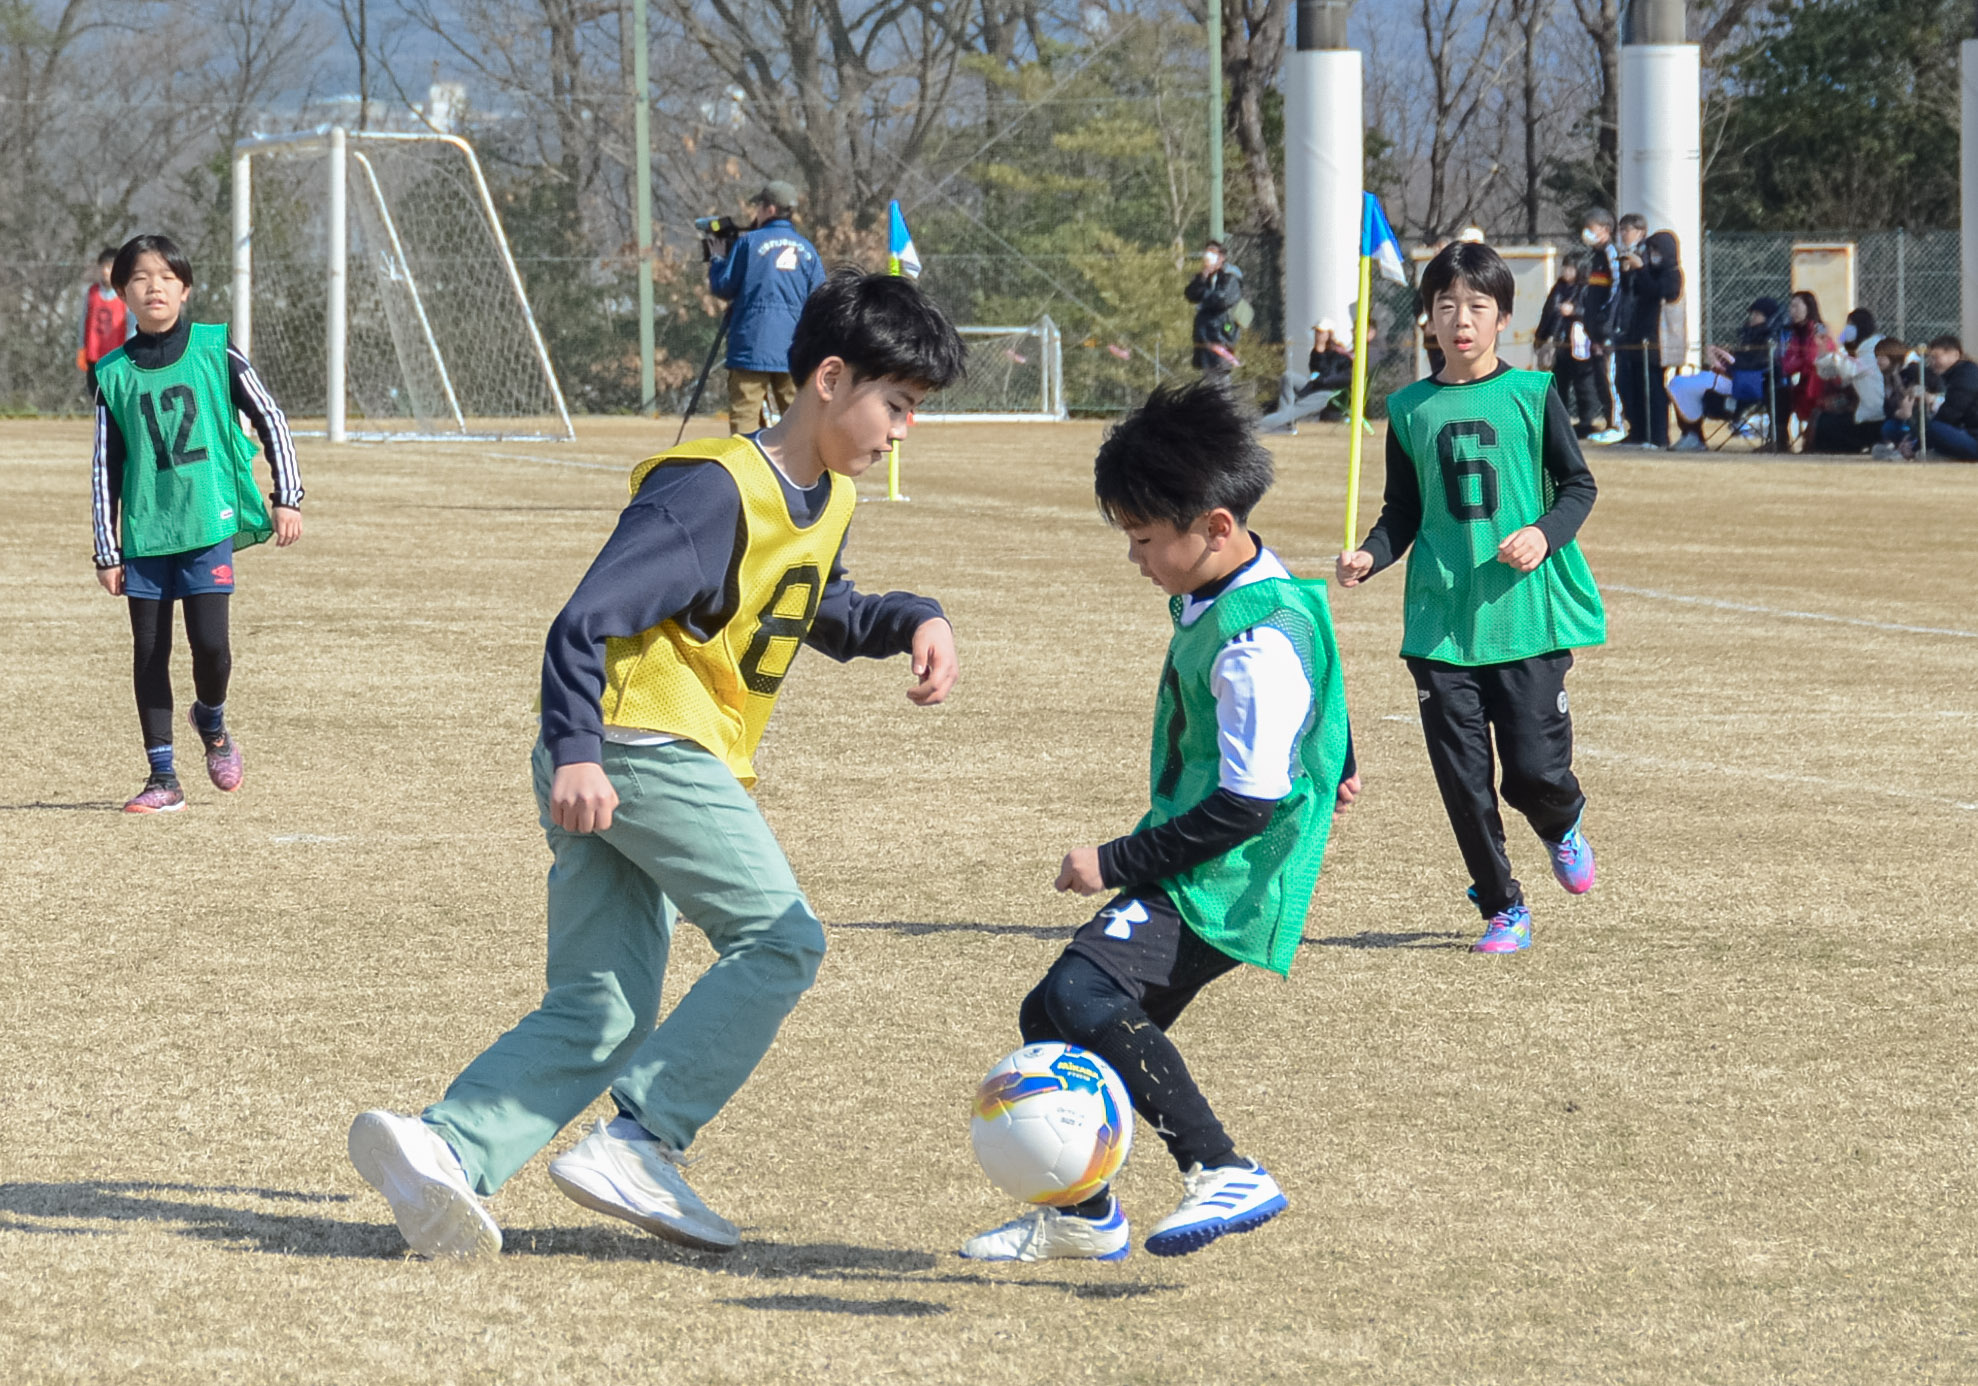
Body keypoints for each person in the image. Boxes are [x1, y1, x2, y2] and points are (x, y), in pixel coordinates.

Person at [347, 269, 968, 1260]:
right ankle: (643, 1139)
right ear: (829, 378)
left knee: (604, 1007)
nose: (903, 429)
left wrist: (911, 619)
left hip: (627, 752)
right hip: (635, 744)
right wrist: (582, 754)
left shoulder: (826, 497)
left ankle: (446, 1149)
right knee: (780, 939)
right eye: (896, 405)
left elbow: (821, 608)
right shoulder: (710, 488)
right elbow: (585, 618)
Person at [958, 379, 1357, 1264]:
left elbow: (1249, 802)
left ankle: (1222, 1168)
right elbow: (1318, 665)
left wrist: (1114, 858)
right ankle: (1085, 1215)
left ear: (1215, 526)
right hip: (1210, 855)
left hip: (1228, 871)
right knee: (1054, 1016)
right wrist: (1342, 754)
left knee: (1076, 994)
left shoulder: (1255, 642)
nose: (1134, 557)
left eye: (1144, 539)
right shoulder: (1241, 583)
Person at [1336, 241, 1604, 955]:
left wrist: (1544, 535)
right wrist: (1372, 554)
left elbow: (1578, 487)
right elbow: (1403, 512)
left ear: (1503, 319)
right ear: (1427, 319)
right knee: (1463, 780)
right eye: (1446, 306)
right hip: (1440, 626)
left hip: (1524, 618)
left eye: (1477, 307)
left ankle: (1562, 821)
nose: (1461, 320)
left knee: (1533, 773)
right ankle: (1501, 907)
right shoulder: (1410, 408)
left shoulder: (1534, 393)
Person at [89, 233, 303, 814]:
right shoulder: (111, 375)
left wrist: (289, 494)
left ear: (184, 287)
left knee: (211, 647)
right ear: (123, 293)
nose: (153, 286)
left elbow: (271, 417)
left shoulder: (215, 348)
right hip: (146, 534)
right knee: (149, 651)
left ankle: (211, 719)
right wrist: (107, 548)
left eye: (165, 276)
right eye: (139, 278)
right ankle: (163, 778)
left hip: (207, 522)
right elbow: (106, 466)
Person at [707, 180, 826, 434]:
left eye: (758, 207)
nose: (755, 213)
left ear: (770, 209)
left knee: (745, 418)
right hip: (793, 349)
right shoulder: (808, 249)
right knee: (798, 417)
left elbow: (724, 287)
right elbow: (820, 299)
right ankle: (803, 472)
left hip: (751, 344)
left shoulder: (749, 243)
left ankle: (745, 469)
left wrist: (717, 259)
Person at [1667, 297, 1787, 452]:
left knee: (1681, 384)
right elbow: (1742, 361)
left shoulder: (1770, 338)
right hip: (1733, 379)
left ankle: (1693, 435)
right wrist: (1723, 360)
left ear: (1769, 317)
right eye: (1753, 313)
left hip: (1746, 385)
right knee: (1678, 383)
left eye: (1758, 314)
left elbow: (1755, 365)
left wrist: (1729, 363)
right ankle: (1691, 433)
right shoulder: (1752, 335)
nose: (1752, 317)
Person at [1614, 218, 1682, 448]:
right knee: (1631, 386)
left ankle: (1658, 436)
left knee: (1652, 389)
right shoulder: (1649, 272)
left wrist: (1641, 270)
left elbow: (1659, 292)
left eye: (1655, 250)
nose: (1652, 255)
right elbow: (1636, 291)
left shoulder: (1673, 273)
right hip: (1636, 337)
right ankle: (1638, 431)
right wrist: (1628, 273)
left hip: (1657, 341)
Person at [1879, 335, 1978, 461]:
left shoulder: (1967, 376)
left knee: (1933, 428)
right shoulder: (1955, 376)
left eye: (1936, 357)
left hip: (1972, 436)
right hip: (1965, 431)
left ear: (1955, 355)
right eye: (1930, 358)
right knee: (1892, 427)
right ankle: (1924, 451)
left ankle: (1919, 451)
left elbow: (1948, 416)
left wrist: (1915, 443)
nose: (1931, 363)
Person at [1576, 208, 1626, 444]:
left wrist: (1605, 321)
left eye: (1592, 229)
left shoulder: (1610, 253)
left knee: (1609, 377)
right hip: (1595, 329)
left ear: (1605, 230)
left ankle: (1617, 424)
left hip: (1606, 329)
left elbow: (1615, 290)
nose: (1587, 233)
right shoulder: (1595, 256)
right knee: (1599, 378)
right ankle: (1608, 422)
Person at [1540, 256, 1603, 436]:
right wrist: (1541, 336)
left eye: (1570, 268)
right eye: (1564, 267)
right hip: (1560, 343)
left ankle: (1586, 422)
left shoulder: (1585, 289)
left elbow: (1591, 312)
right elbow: (1548, 313)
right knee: (1559, 383)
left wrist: (1574, 311)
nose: (1565, 272)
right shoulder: (1558, 289)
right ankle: (1560, 421)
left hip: (1579, 344)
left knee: (1584, 384)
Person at [1811, 308, 1885, 454]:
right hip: (1865, 413)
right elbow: (1828, 373)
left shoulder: (1874, 348)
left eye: (1850, 325)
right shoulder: (1859, 350)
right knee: (1823, 419)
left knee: (1828, 425)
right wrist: (1823, 350)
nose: (1847, 329)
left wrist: (1837, 345)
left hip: (1876, 415)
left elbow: (1849, 370)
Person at [1778, 291, 1840, 449]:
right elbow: (1786, 364)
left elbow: (1813, 358)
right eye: (1791, 306)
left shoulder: (1819, 329)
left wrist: (1799, 361)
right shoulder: (1795, 333)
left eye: (1796, 306)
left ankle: (1811, 439)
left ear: (1809, 308)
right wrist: (1800, 361)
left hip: (1823, 382)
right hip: (1804, 381)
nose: (1792, 310)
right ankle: (1780, 441)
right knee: (1779, 394)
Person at [77, 246, 130, 398]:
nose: (106, 271)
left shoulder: (125, 294)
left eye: (110, 267)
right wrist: (82, 348)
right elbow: (83, 322)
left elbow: (132, 326)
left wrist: (130, 350)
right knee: (96, 395)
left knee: (116, 397)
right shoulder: (91, 293)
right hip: (94, 356)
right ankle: (100, 422)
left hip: (117, 356)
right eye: (103, 267)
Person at [1184, 241, 1244, 374]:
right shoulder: (1204, 278)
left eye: (1213, 254)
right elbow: (1191, 294)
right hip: (1205, 337)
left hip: (1222, 334)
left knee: (1220, 383)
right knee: (1207, 384)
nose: (1209, 257)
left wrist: (1204, 296)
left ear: (1222, 257)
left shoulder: (1230, 276)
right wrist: (1203, 276)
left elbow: (1222, 300)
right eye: (1207, 253)